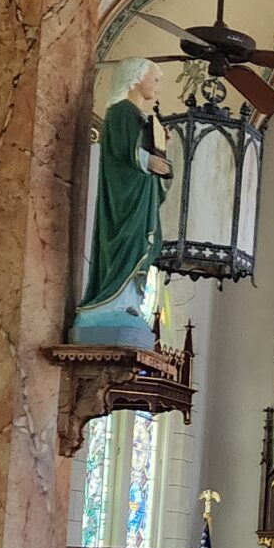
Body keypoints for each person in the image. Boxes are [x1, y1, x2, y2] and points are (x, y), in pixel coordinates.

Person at [72, 61, 171, 348]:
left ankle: (129, 302)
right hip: (125, 197)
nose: (158, 84)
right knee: (124, 242)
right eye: (155, 78)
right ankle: (107, 303)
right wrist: (145, 160)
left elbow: (147, 154)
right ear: (136, 78)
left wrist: (161, 164)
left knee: (145, 244)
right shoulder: (120, 111)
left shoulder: (142, 117)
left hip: (143, 195)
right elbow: (118, 153)